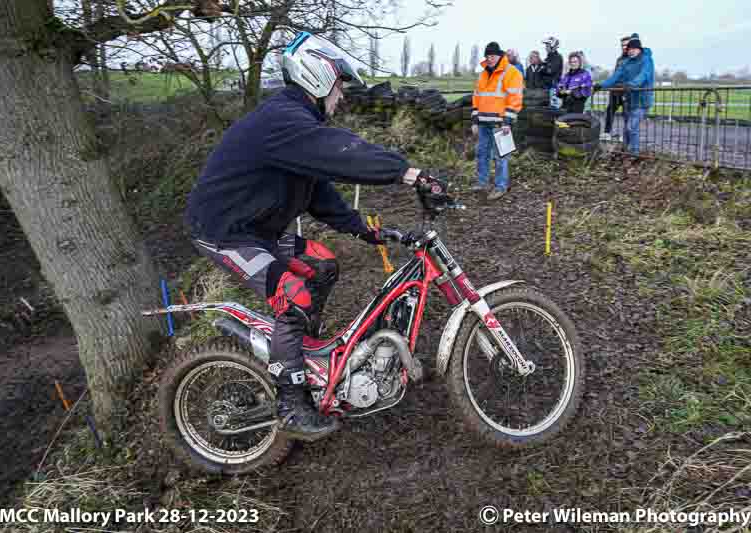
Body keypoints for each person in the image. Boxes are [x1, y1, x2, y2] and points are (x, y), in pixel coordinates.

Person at [184, 32, 443, 441]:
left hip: (258, 230)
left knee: (321, 263)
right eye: (340, 85)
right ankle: (291, 402)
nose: (341, 96)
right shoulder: (283, 121)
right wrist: (409, 173)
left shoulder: (295, 128)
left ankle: (300, 351)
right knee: (294, 295)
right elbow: (344, 153)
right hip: (225, 232)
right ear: (318, 77)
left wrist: (367, 231)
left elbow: (320, 194)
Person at [470, 41, 524, 200]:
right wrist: (474, 120)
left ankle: (501, 186)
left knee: (501, 157)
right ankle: (482, 182)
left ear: (500, 56)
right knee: (482, 154)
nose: (490, 58)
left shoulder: (511, 72)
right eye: (487, 56)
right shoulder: (483, 74)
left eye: (492, 55)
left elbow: (515, 98)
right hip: (483, 122)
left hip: (501, 123)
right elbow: (476, 97)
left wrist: (507, 121)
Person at [595, 36, 654, 157]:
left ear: (639, 49)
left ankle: (635, 153)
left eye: (633, 48)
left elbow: (644, 75)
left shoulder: (646, 60)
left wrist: (631, 84)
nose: (630, 51)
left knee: (631, 126)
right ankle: (626, 151)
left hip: (642, 100)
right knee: (627, 128)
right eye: (629, 49)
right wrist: (601, 85)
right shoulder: (626, 62)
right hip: (629, 99)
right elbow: (615, 77)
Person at [602, 35, 632, 141]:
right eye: (622, 45)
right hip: (615, 90)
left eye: (626, 45)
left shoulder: (633, 59)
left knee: (627, 114)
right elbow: (615, 74)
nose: (624, 47)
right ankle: (606, 132)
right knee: (610, 110)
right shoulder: (619, 59)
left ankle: (627, 136)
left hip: (627, 91)